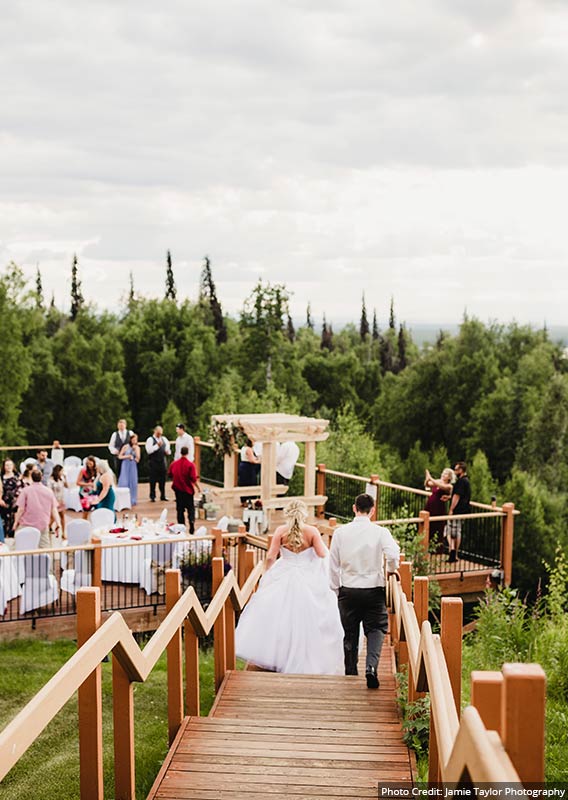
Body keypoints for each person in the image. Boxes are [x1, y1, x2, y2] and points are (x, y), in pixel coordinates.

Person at [236, 499, 343, 673]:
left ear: (287, 514)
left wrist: (269, 573)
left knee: (280, 617)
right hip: (307, 577)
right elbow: (323, 554)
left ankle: (280, 654)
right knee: (308, 617)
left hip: (284, 573)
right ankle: (306, 653)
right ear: (304, 514)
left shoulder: (280, 531)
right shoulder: (312, 531)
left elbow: (271, 556)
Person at [329, 493, 400, 689]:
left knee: (350, 632)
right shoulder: (380, 532)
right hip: (373, 588)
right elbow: (393, 554)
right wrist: (392, 570)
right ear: (373, 510)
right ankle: (371, 667)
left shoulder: (340, 533)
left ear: (354, 508)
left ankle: (351, 672)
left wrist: (336, 588)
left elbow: (333, 564)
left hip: (348, 589)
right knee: (376, 629)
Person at [15, 468, 62, 549]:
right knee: (44, 548)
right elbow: (54, 509)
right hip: (42, 524)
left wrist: (15, 522)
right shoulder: (48, 491)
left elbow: (21, 509)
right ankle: (46, 561)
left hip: (27, 524)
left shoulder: (26, 490)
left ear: (31, 477)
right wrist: (58, 523)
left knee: (23, 546)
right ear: (42, 477)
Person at [168, 446, 200, 533]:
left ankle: (181, 526)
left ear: (180, 452)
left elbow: (170, 474)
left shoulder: (174, 464)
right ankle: (191, 523)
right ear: (188, 453)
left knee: (180, 509)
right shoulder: (190, 465)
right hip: (188, 490)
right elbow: (193, 478)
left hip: (178, 490)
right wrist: (198, 487)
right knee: (190, 508)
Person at [424, 467, 455, 551]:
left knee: (437, 525)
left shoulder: (449, 486)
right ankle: (426, 546)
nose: (443, 475)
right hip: (430, 505)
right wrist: (427, 479)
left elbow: (441, 486)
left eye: (445, 474)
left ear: (449, 477)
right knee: (428, 524)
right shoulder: (438, 481)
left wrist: (431, 478)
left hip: (439, 507)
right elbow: (428, 484)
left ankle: (436, 548)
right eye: (443, 473)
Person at [446, 462, 471, 564]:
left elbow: (457, 496)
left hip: (458, 510)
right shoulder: (467, 481)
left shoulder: (461, 482)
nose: (455, 471)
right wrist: (448, 498)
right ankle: (455, 553)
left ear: (461, 470)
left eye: (456, 470)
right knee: (458, 531)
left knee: (451, 531)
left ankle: (453, 551)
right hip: (464, 510)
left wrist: (451, 509)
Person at [145, 425, 171, 502]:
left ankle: (163, 495)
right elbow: (149, 451)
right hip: (153, 462)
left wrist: (168, 452)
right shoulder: (150, 439)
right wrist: (157, 446)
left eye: (160, 433)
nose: (159, 434)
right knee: (153, 480)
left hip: (162, 461)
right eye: (158, 433)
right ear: (155, 431)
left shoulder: (164, 439)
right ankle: (152, 496)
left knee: (163, 480)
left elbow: (168, 449)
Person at [1, 458, 23, 539]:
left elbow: (21, 489)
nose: (9, 467)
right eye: (7, 465)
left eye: (10, 465)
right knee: (5, 522)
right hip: (4, 503)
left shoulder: (18, 476)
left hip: (16, 503)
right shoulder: (1, 477)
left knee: (15, 521)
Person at [118, 433, 141, 506]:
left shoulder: (137, 448)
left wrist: (135, 452)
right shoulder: (125, 447)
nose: (134, 441)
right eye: (133, 439)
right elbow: (120, 456)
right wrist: (127, 456)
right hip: (125, 465)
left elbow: (138, 459)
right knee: (124, 482)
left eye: (136, 440)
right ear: (130, 440)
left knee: (133, 483)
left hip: (132, 465)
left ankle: (132, 499)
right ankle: (122, 500)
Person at [238, 438, 260, 506]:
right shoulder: (249, 449)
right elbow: (252, 460)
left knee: (243, 483)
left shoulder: (243, 448)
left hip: (243, 466)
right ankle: (250, 501)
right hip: (248, 468)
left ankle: (243, 501)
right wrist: (260, 461)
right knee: (250, 483)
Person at [48, 464, 68, 539]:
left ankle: (63, 533)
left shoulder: (61, 478)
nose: (62, 472)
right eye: (61, 471)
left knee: (62, 517)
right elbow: (49, 491)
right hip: (54, 500)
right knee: (53, 518)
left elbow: (66, 486)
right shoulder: (51, 480)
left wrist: (65, 478)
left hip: (61, 499)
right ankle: (48, 527)